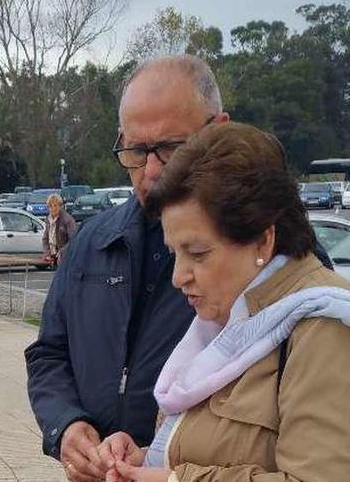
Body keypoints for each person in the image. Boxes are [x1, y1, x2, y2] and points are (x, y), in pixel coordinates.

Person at [24, 54, 333, 482]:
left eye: (171, 148)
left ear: (217, 130)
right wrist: (67, 425)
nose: (151, 170)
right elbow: (48, 352)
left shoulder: (300, 295)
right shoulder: (90, 242)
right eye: (135, 150)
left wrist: (171, 478)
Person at [97, 122, 350, 482]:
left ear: (263, 242)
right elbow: (219, 450)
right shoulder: (230, 318)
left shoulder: (324, 329)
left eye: (197, 253)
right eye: (174, 254)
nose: (178, 276)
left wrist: (174, 480)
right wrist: (145, 459)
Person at [41, 193, 77, 266]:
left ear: (61, 206)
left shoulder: (68, 220)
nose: (53, 208)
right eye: (50, 206)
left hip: (66, 258)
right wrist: (47, 253)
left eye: (55, 205)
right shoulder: (48, 220)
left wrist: (62, 252)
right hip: (53, 256)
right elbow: (45, 239)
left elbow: (73, 240)